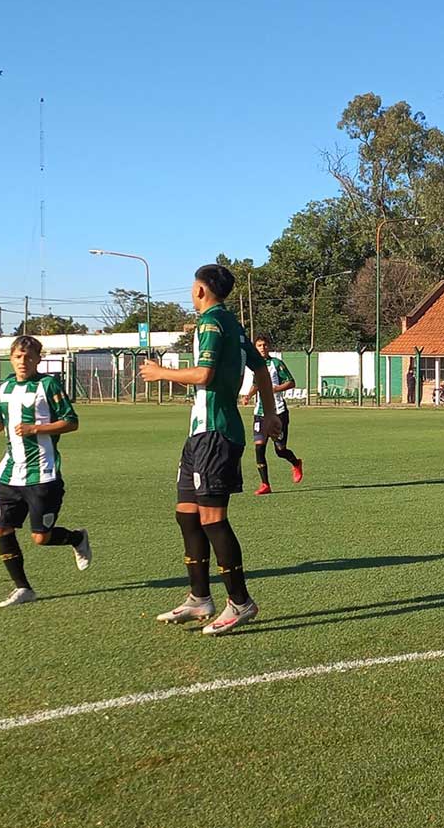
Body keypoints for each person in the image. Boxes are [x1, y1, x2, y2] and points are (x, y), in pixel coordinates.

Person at [140, 264, 281, 636]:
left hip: (215, 434)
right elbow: (262, 369)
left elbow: (203, 375)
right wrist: (267, 414)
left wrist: (161, 373)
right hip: (200, 435)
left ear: (200, 290)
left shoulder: (211, 323)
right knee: (186, 514)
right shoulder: (232, 324)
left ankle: (240, 602)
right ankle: (199, 597)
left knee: (212, 519)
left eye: (192, 285)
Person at [0, 335, 91, 607]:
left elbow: (71, 422)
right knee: (1, 529)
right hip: (8, 473)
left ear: (38, 358)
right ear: (10, 359)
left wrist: (36, 428)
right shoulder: (6, 386)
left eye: (28, 356)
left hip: (42, 473)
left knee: (41, 538)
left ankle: (76, 537)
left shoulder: (48, 385)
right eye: (17, 357)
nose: (23, 361)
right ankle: (23, 588)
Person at [242, 334, 303, 495]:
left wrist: (275, 389)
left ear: (269, 346)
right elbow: (257, 384)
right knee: (259, 447)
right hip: (259, 413)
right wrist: (248, 395)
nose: (262, 348)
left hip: (278, 411)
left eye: (264, 345)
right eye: (259, 345)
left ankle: (296, 462)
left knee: (280, 449)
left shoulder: (276, 364)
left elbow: (291, 382)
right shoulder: (256, 365)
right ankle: (265, 484)